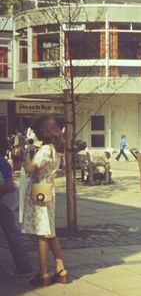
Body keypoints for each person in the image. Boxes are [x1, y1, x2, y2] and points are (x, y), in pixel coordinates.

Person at [22, 116, 69, 287]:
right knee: (50, 232)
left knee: (41, 234)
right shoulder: (54, 149)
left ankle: (43, 274)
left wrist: (27, 152)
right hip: (49, 191)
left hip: (39, 193)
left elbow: (29, 169)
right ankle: (61, 269)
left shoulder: (44, 150)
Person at [0, 138, 33, 278]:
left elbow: (9, 185)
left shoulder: (2, 162)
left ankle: (24, 265)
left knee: (11, 234)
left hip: (3, 203)